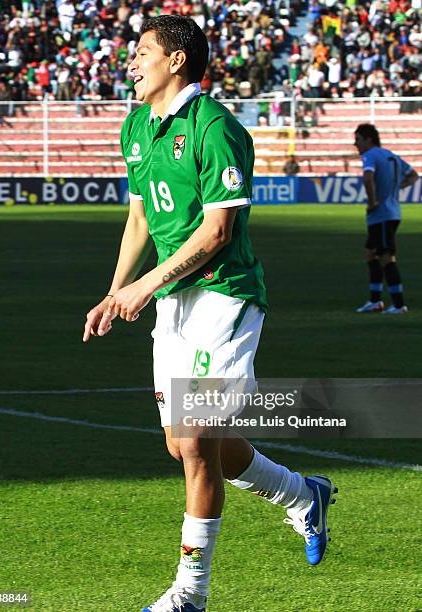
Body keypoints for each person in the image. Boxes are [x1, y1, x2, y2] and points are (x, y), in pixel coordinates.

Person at [83, 16, 337, 612]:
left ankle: (189, 598)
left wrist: (144, 285)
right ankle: (304, 496)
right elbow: (142, 217)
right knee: (187, 446)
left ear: (176, 61)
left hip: (225, 295)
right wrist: (115, 289)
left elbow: (218, 231)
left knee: (195, 441)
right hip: (173, 300)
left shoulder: (216, 127)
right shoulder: (137, 126)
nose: (131, 60)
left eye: (142, 51)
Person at [354, 123, 419, 314]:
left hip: (381, 214)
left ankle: (399, 305)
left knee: (386, 257)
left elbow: (367, 178)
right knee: (371, 252)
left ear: (368, 139)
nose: (355, 144)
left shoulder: (370, 155)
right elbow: (414, 176)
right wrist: (395, 189)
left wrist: (373, 202)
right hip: (392, 212)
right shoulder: (392, 155)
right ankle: (375, 301)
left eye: (358, 139)